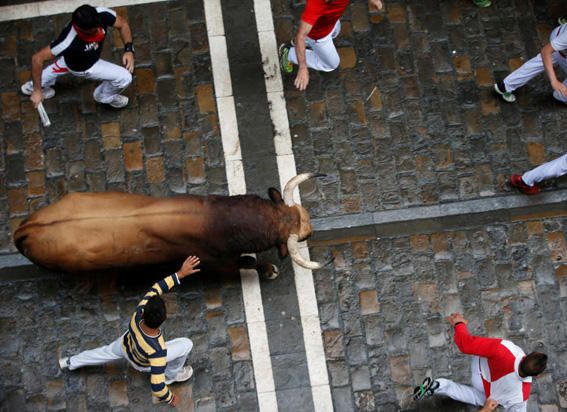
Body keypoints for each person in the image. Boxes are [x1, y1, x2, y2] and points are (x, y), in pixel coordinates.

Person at [59, 256, 201, 407]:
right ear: (164, 319)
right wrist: (170, 398)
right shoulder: (158, 351)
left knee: (101, 352)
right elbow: (157, 386)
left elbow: (157, 288)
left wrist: (180, 273)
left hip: (125, 345)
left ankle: (69, 362)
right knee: (186, 344)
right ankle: (172, 376)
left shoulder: (139, 311)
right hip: (142, 362)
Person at [413, 313, 547, 411]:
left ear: (526, 356)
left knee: (480, 393)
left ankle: (436, 385)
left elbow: (467, 345)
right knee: (474, 396)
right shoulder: (521, 396)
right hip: (492, 398)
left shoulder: (506, 348)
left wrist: (459, 324)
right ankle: (438, 386)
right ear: (536, 376)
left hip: (479, 373)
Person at [22, 4, 135, 109]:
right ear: (79, 28)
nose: (97, 33)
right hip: (86, 67)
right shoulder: (66, 42)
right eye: (91, 32)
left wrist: (129, 50)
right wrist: (37, 91)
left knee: (62, 65)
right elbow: (37, 58)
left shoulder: (102, 13)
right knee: (125, 78)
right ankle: (103, 96)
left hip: (68, 60)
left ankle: (30, 87)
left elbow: (123, 24)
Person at [279, 0, 383, 91]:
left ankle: (302, 45)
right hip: (318, 36)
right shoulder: (314, 6)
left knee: (336, 31)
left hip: (331, 23)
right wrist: (302, 68)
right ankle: (289, 53)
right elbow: (300, 36)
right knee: (331, 64)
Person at [494, 22, 567, 104]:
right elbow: (546, 52)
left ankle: (504, 86)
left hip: (559, 39)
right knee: (547, 58)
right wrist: (554, 81)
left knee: (542, 61)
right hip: (559, 45)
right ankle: (562, 95)